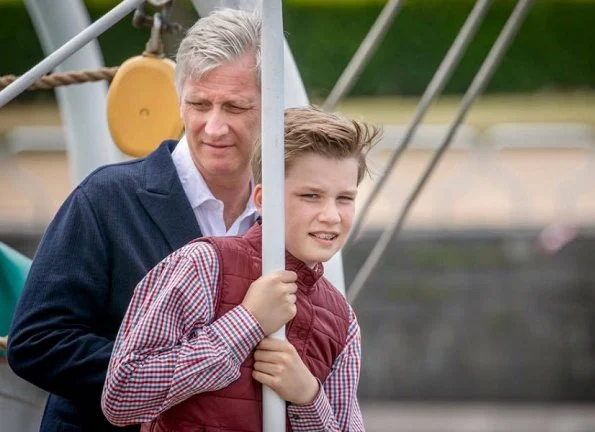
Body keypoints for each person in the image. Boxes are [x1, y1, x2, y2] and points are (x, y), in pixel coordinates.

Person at [8, 9, 263, 432]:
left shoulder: (285, 218)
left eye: (236, 107)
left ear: (270, 106)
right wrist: (180, 377)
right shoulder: (104, 200)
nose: (214, 127)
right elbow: (37, 342)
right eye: (200, 104)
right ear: (179, 101)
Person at [101, 106, 380, 431]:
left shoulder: (343, 322)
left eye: (344, 198)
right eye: (311, 196)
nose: (331, 215)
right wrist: (247, 322)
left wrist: (308, 397)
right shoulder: (202, 265)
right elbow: (122, 395)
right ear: (262, 199)